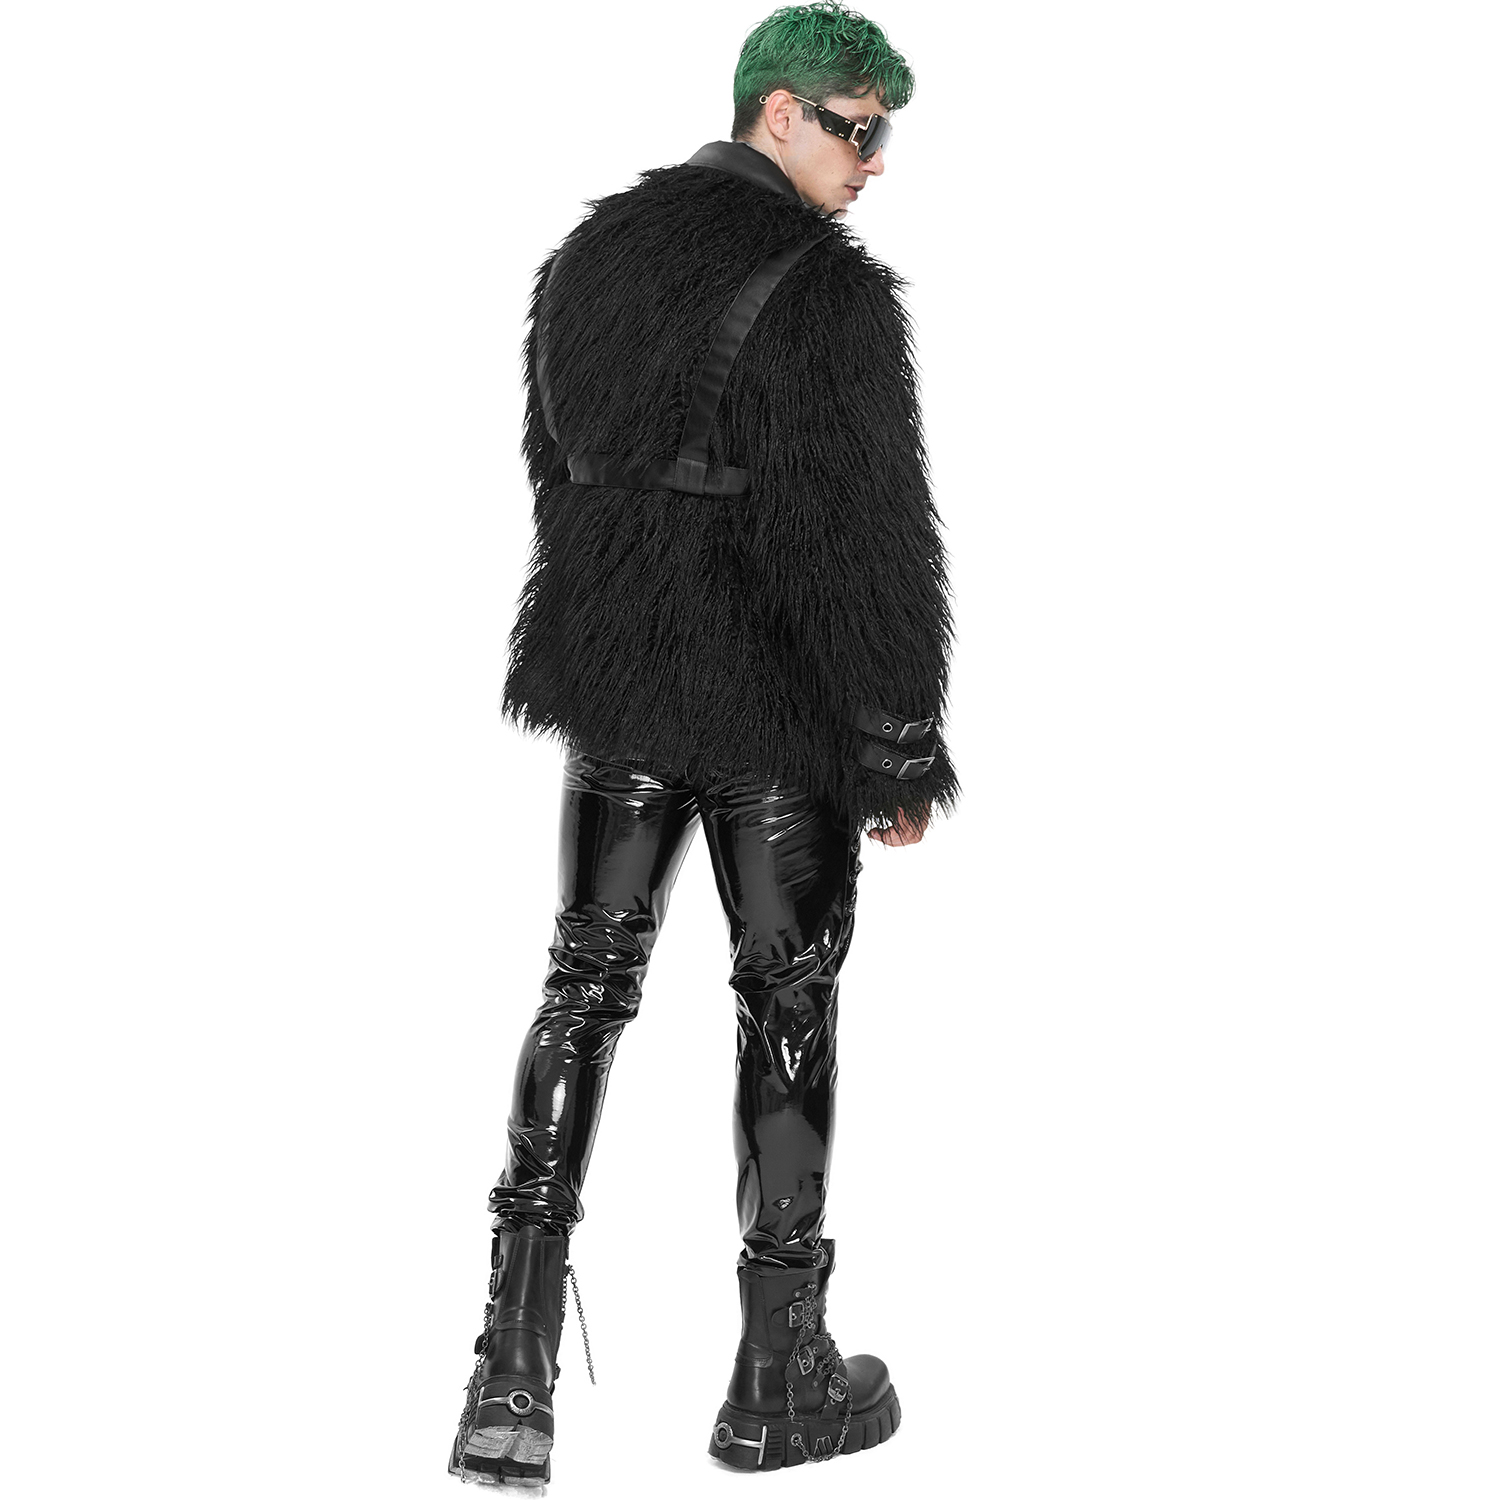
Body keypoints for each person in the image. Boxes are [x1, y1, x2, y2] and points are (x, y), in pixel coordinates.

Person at [449, 3, 959, 1484]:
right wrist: (898, 746)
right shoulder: (831, 297)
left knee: (583, 987)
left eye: (884, 136)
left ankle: (509, 1372)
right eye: (855, 129)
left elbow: (558, 472)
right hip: (775, 707)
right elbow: (872, 546)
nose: (874, 162)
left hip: (621, 691)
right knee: (787, 1003)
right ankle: (779, 1375)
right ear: (777, 112)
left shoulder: (588, 260)